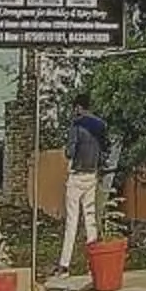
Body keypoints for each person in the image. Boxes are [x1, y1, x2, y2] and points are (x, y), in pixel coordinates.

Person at [57, 102, 107, 273]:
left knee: (72, 221)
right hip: (91, 175)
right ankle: (93, 263)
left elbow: (70, 152)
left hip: (77, 176)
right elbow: (103, 152)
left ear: (78, 107)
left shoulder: (77, 126)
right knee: (90, 218)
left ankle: (64, 265)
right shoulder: (99, 126)